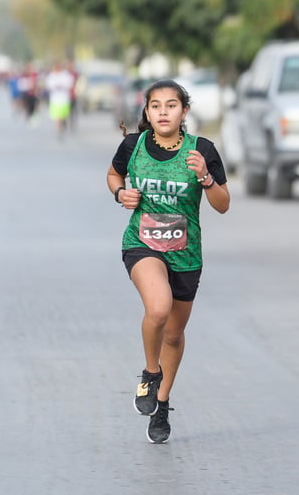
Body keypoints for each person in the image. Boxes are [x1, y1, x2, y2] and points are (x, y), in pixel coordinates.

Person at [106, 79, 230, 444]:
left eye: (171, 105)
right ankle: (149, 372)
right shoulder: (133, 145)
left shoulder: (201, 149)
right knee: (157, 309)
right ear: (147, 112)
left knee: (174, 334)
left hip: (186, 253)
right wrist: (120, 193)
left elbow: (223, 204)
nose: (163, 111)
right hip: (141, 243)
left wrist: (205, 176)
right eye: (155, 105)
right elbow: (114, 173)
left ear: (184, 112)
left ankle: (161, 403)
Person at [45, 61, 76, 138]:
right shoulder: (51, 76)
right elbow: (49, 86)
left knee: (63, 115)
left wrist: (62, 86)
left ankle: (62, 124)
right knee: (57, 117)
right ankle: (59, 129)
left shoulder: (65, 75)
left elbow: (70, 84)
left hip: (64, 99)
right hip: (55, 100)